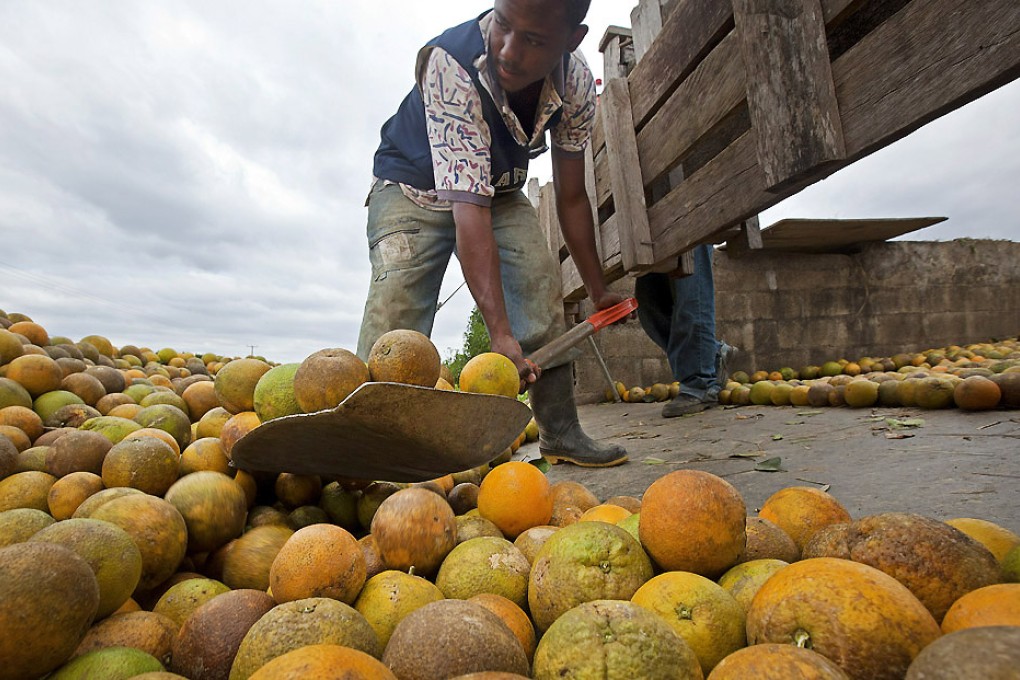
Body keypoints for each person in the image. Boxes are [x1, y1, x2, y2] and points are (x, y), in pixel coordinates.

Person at [356, 0, 628, 467]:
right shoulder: (450, 64)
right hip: (411, 189)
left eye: (534, 40)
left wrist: (599, 290)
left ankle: (561, 433)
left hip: (496, 190)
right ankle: (368, 448)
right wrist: (500, 336)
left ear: (571, 40)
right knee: (397, 321)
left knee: (537, 283)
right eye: (502, 24)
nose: (507, 51)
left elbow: (571, 197)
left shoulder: (577, 83)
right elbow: (468, 212)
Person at [634, 243, 737, 417]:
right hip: (649, 238)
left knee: (690, 296)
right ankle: (712, 353)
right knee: (649, 303)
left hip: (688, 232)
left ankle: (700, 385)